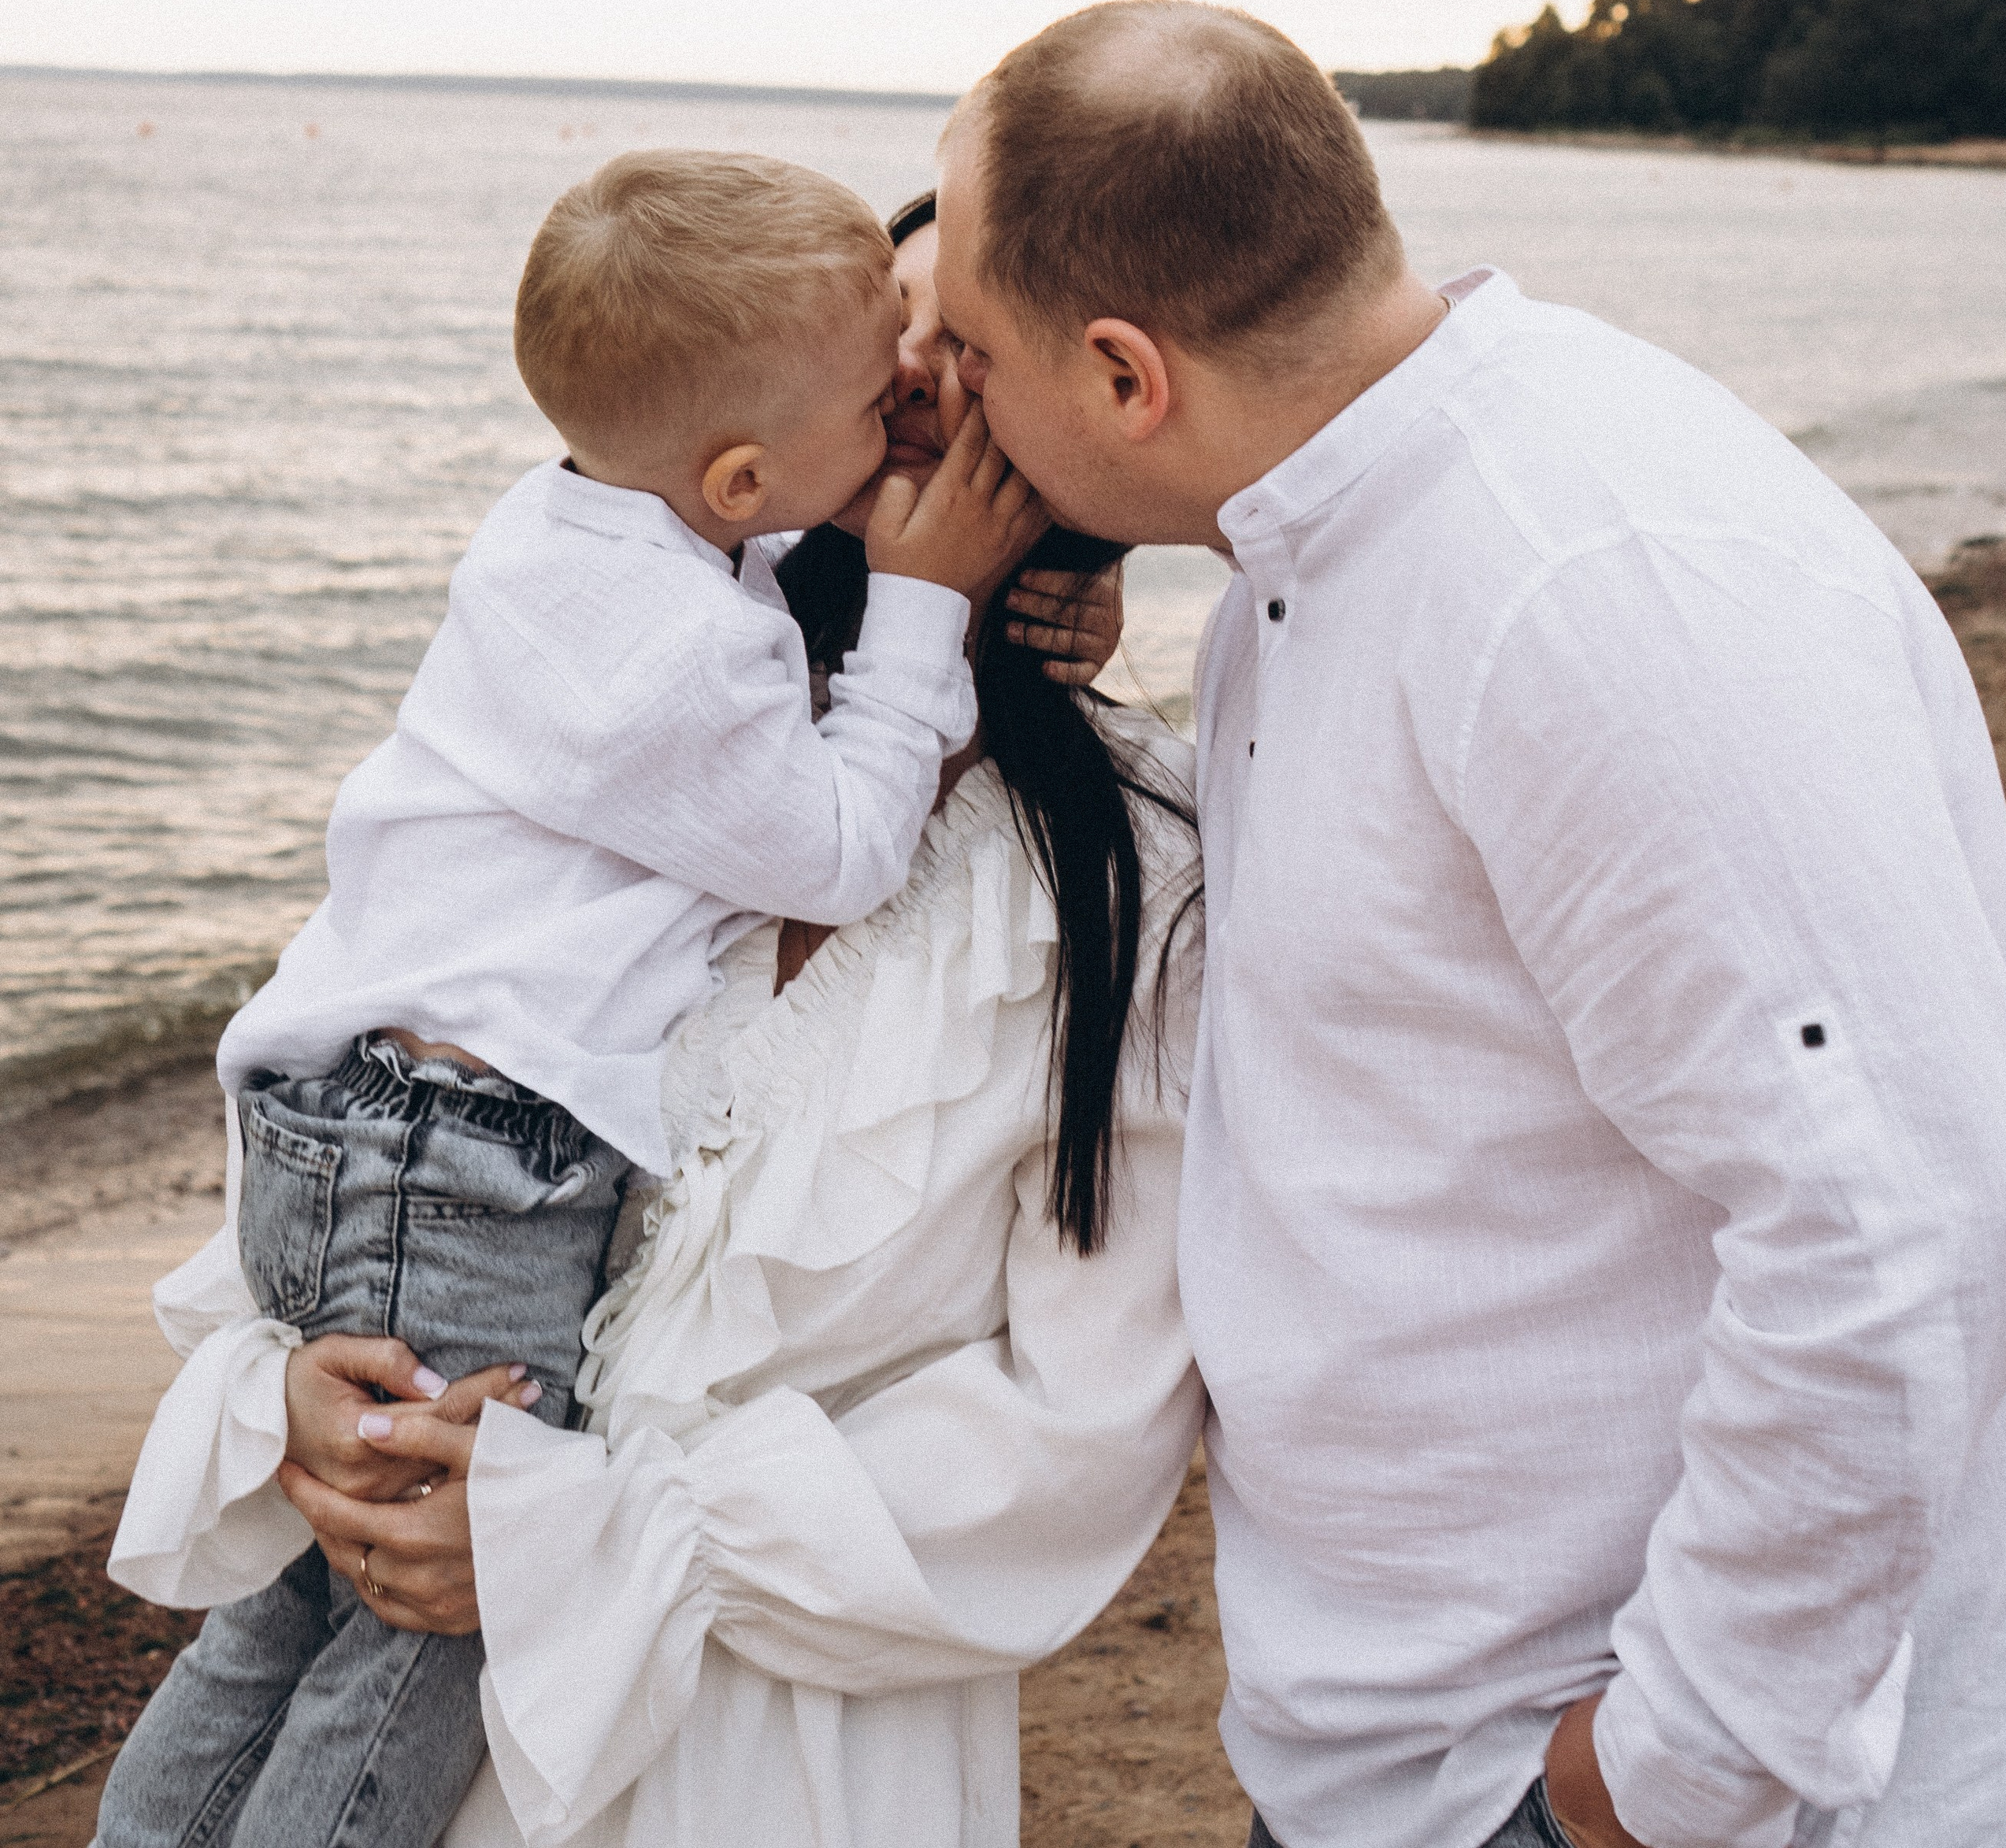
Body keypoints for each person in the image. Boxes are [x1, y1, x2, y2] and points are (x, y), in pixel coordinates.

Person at [929, 0, 2006, 1848]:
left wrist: (1663, 1776)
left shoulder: (1582, 584)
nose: (950, 400)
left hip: (1612, 1785)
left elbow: (1894, 1216)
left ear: (1123, 376)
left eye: (965, 350)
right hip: (1402, 1752)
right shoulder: (1309, 554)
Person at [106, 196, 1203, 1848]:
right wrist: (295, 1403)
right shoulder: (645, 713)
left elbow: (1081, 1432)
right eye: (883, 346)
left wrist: (604, 1537)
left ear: (1093, 407)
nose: (909, 385)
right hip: (432, 1711)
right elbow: (378, 1114)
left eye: (956, 359)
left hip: (770, 1757)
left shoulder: (1137, 873)